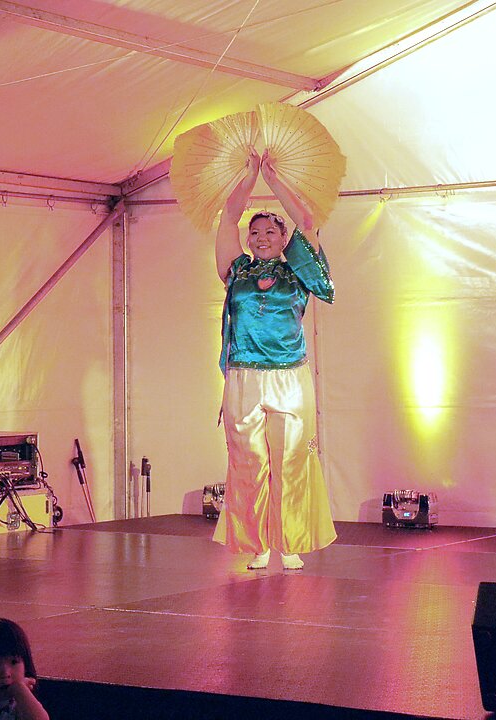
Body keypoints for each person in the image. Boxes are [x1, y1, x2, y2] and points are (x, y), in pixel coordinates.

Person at [211, 151, 336, 571]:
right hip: (245, 377)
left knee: (291, 460)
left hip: (289, 377)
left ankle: (291, 541)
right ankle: (256, 543)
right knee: (248, 462)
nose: (262, 236)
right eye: (256, 231)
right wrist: (248, 177)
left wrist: (275, 179)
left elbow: (307, 220)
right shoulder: (236, 271)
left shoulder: (298, 270)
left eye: (270, 231)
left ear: (283, 240)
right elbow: (227, 219)